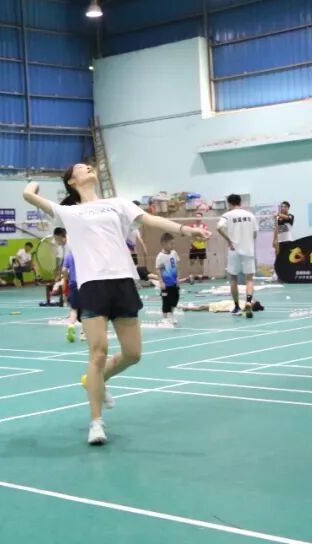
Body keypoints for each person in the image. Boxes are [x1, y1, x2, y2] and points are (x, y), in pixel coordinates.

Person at [23, 162, 209, 445]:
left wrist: (186, 230)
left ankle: (96, 381)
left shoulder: (117, 204)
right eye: (82, 167)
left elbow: (150, 220)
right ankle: (96, 422)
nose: (89, 167)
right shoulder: (68, 211)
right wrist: (34, 182)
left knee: (133, 353)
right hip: (92, 284)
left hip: (123, 282)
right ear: (72, 181)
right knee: (98, 354)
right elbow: (28, 194)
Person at [215, 193, 258, 318]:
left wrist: (229, 240)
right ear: (240, 202)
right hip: (248, 250)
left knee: (233, 279)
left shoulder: (227, 215)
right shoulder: (250, 215)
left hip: (234, 250)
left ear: (229, 203)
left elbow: (219, 227)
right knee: (249, 279)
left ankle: (237, 307)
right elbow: (255, 234)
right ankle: (248, 302)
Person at [155, 232, 183, 326]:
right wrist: (161, 282)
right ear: (164, 244)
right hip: (166, 284)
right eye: (171, 244)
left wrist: (178, 278)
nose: (173, 245)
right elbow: (158, 270)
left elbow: (177, 266)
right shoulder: (160, 256)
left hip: (174, 282)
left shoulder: (174, 253)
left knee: (175, 298)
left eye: (173, 243)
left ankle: (171, 315)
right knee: (166, 300)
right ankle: (164, 318)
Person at [187, 212, 209, 281]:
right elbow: (190, 235)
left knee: (201, 262)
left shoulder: (204, 226)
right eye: (196, 217)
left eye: (199, 217)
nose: (198, 218)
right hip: (193, 246)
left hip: (202, 247)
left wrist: (202, 238)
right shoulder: (192, 226)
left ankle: (200, 276)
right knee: (192, 262)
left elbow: (206, 236)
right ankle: (191, 276)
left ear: (201, 218)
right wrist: (197, 238)